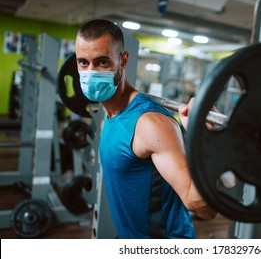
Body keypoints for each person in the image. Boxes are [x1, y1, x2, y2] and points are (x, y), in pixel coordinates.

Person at [75, 19, 216, 239]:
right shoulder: (111, 113)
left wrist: (206, 140)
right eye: (83, 62)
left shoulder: (150, 124)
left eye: (102, 62)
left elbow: (203, 208)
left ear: (123, 61)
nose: (90, 71)